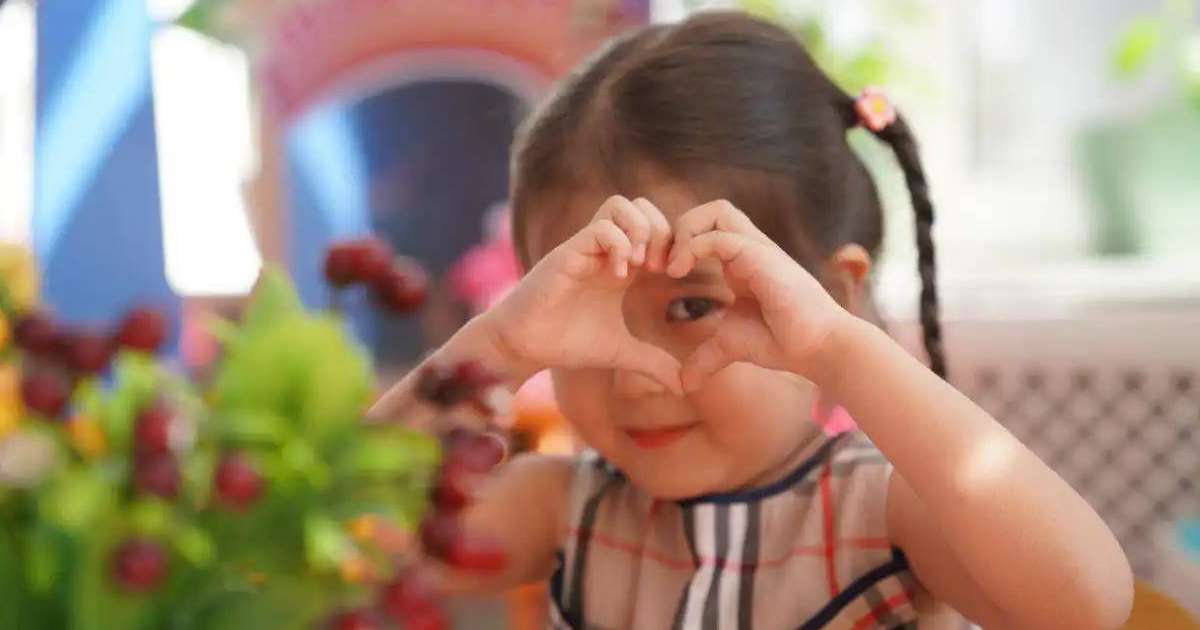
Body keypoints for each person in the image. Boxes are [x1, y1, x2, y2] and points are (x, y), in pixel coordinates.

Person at [370, 12, 1132, 629]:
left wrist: (841, 348)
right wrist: (498, 343)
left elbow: (1084, 605)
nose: (636, 376)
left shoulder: (880, 516)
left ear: (831, 296)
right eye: (588, 322)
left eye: (693, 306)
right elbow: (340, 540)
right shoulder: (565, 507)